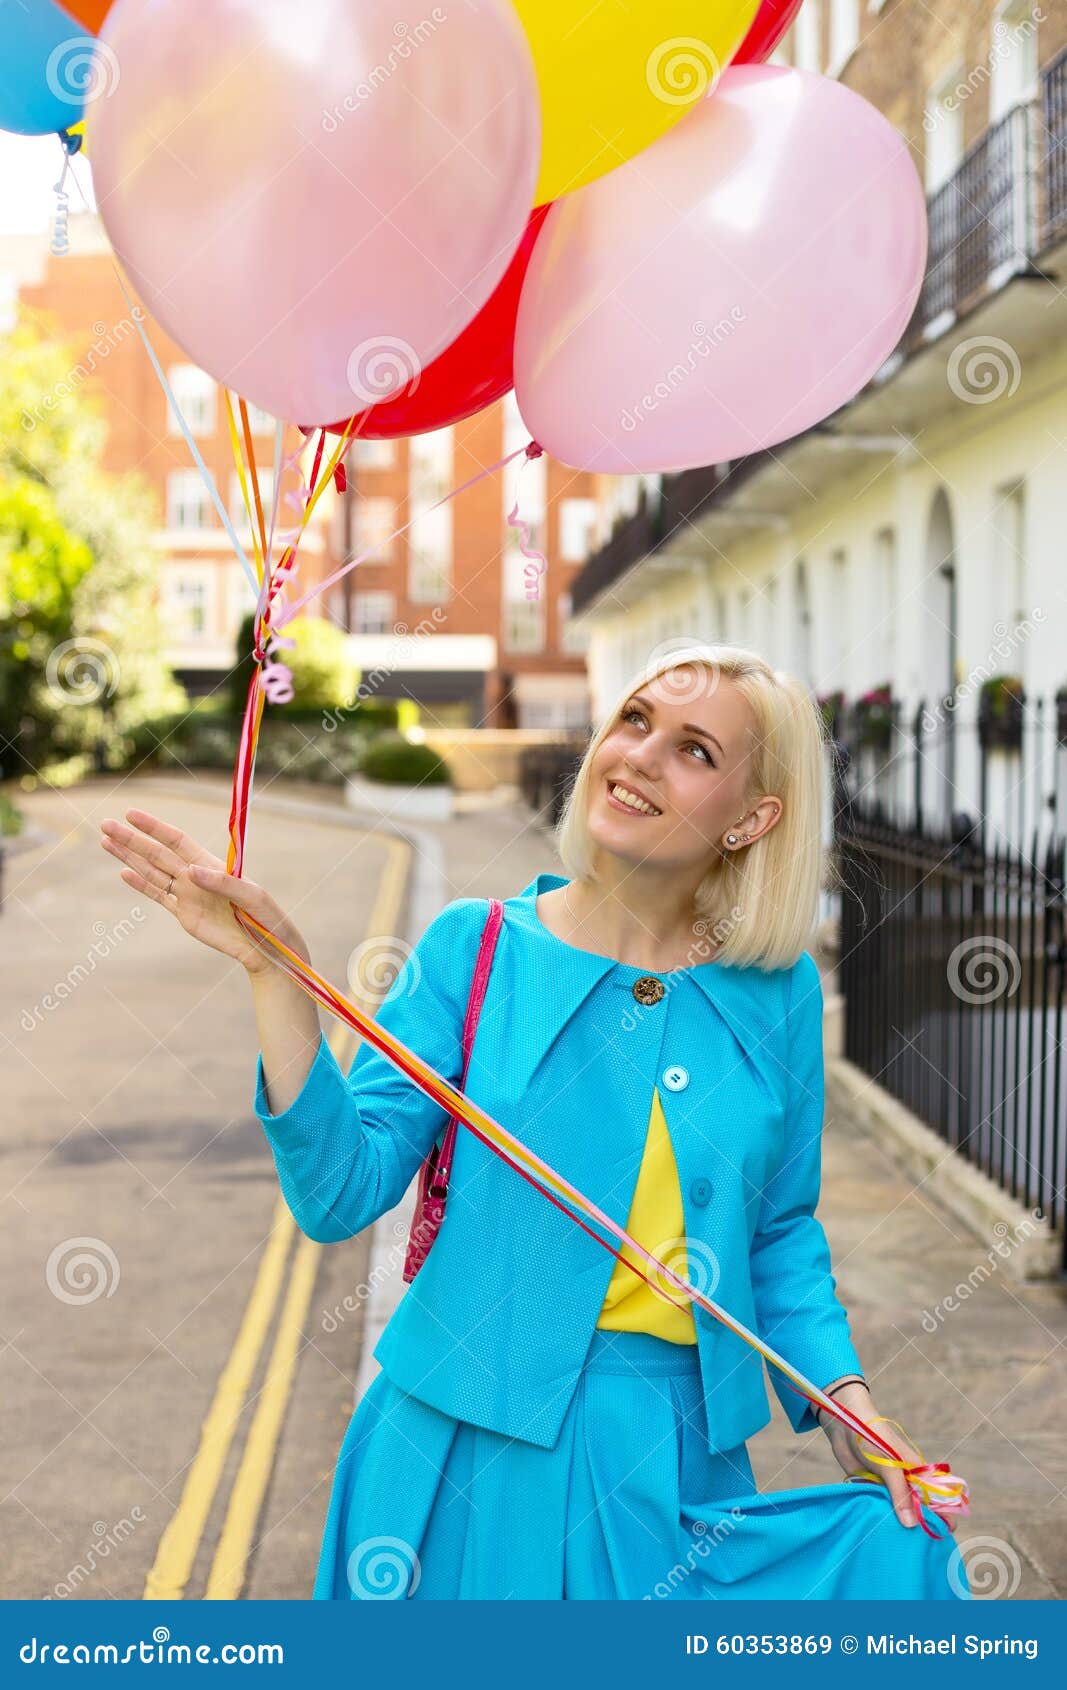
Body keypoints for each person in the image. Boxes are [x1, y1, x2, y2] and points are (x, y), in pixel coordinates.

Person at [99, 643, 967, 1601]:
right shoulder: (471, 949)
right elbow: (340, 1192)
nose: (637, 755)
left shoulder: (779, 991)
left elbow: (779, 1235)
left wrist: (851, 1409)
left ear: (752, 818)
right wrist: (280, 976)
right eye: (632, 721)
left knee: (897, 1570)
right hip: (455, 1450)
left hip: (669, 1462)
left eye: (693, 751)